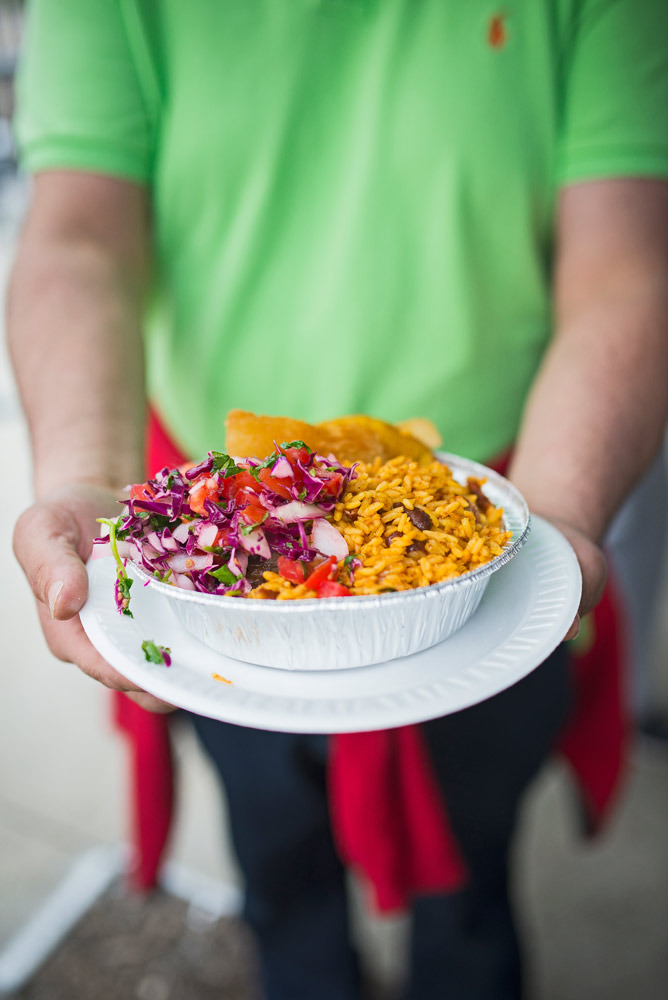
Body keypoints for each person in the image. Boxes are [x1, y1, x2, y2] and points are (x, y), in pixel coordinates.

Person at [8, 2, 668, 998]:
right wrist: (81, 473)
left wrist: (558, 510)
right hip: (220, 561)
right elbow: (76, 240)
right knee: (280, 870)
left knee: (472, 890)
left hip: (503, 526)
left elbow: (624, 272)